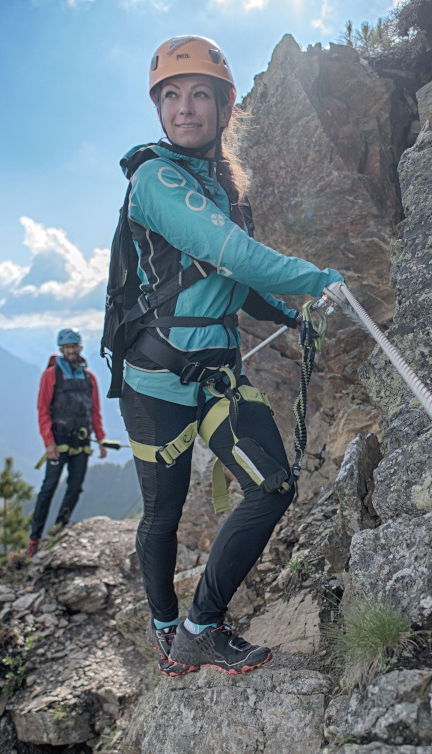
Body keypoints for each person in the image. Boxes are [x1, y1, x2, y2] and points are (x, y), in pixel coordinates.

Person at [114, 35, 344, 676]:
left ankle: (200, 626)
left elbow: (236, 284)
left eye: (199, 95)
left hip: (218, 375)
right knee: (162, 513)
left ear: (223, 107)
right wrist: (316, 279)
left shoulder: (221, 188)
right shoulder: (156, 180)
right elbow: (235, 256)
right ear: (159, 108)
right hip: (156, 381)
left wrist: (291, 316)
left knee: (271, 487)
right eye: (172, 96)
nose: (184, 108)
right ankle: (168, 632)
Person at [29, 328, 107, 557]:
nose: (72, 351)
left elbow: (95, 411)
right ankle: (34, 540)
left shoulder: (89, 377)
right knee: (48, 489)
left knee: (75, 487)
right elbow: (43, 409)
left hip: (81, 439)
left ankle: (59, 528)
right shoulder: (51, 375)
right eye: (68, 347)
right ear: (61, 350)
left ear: (80, 348)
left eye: (75, 347)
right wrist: (48, 443)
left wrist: (101, 439)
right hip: (59, 440)